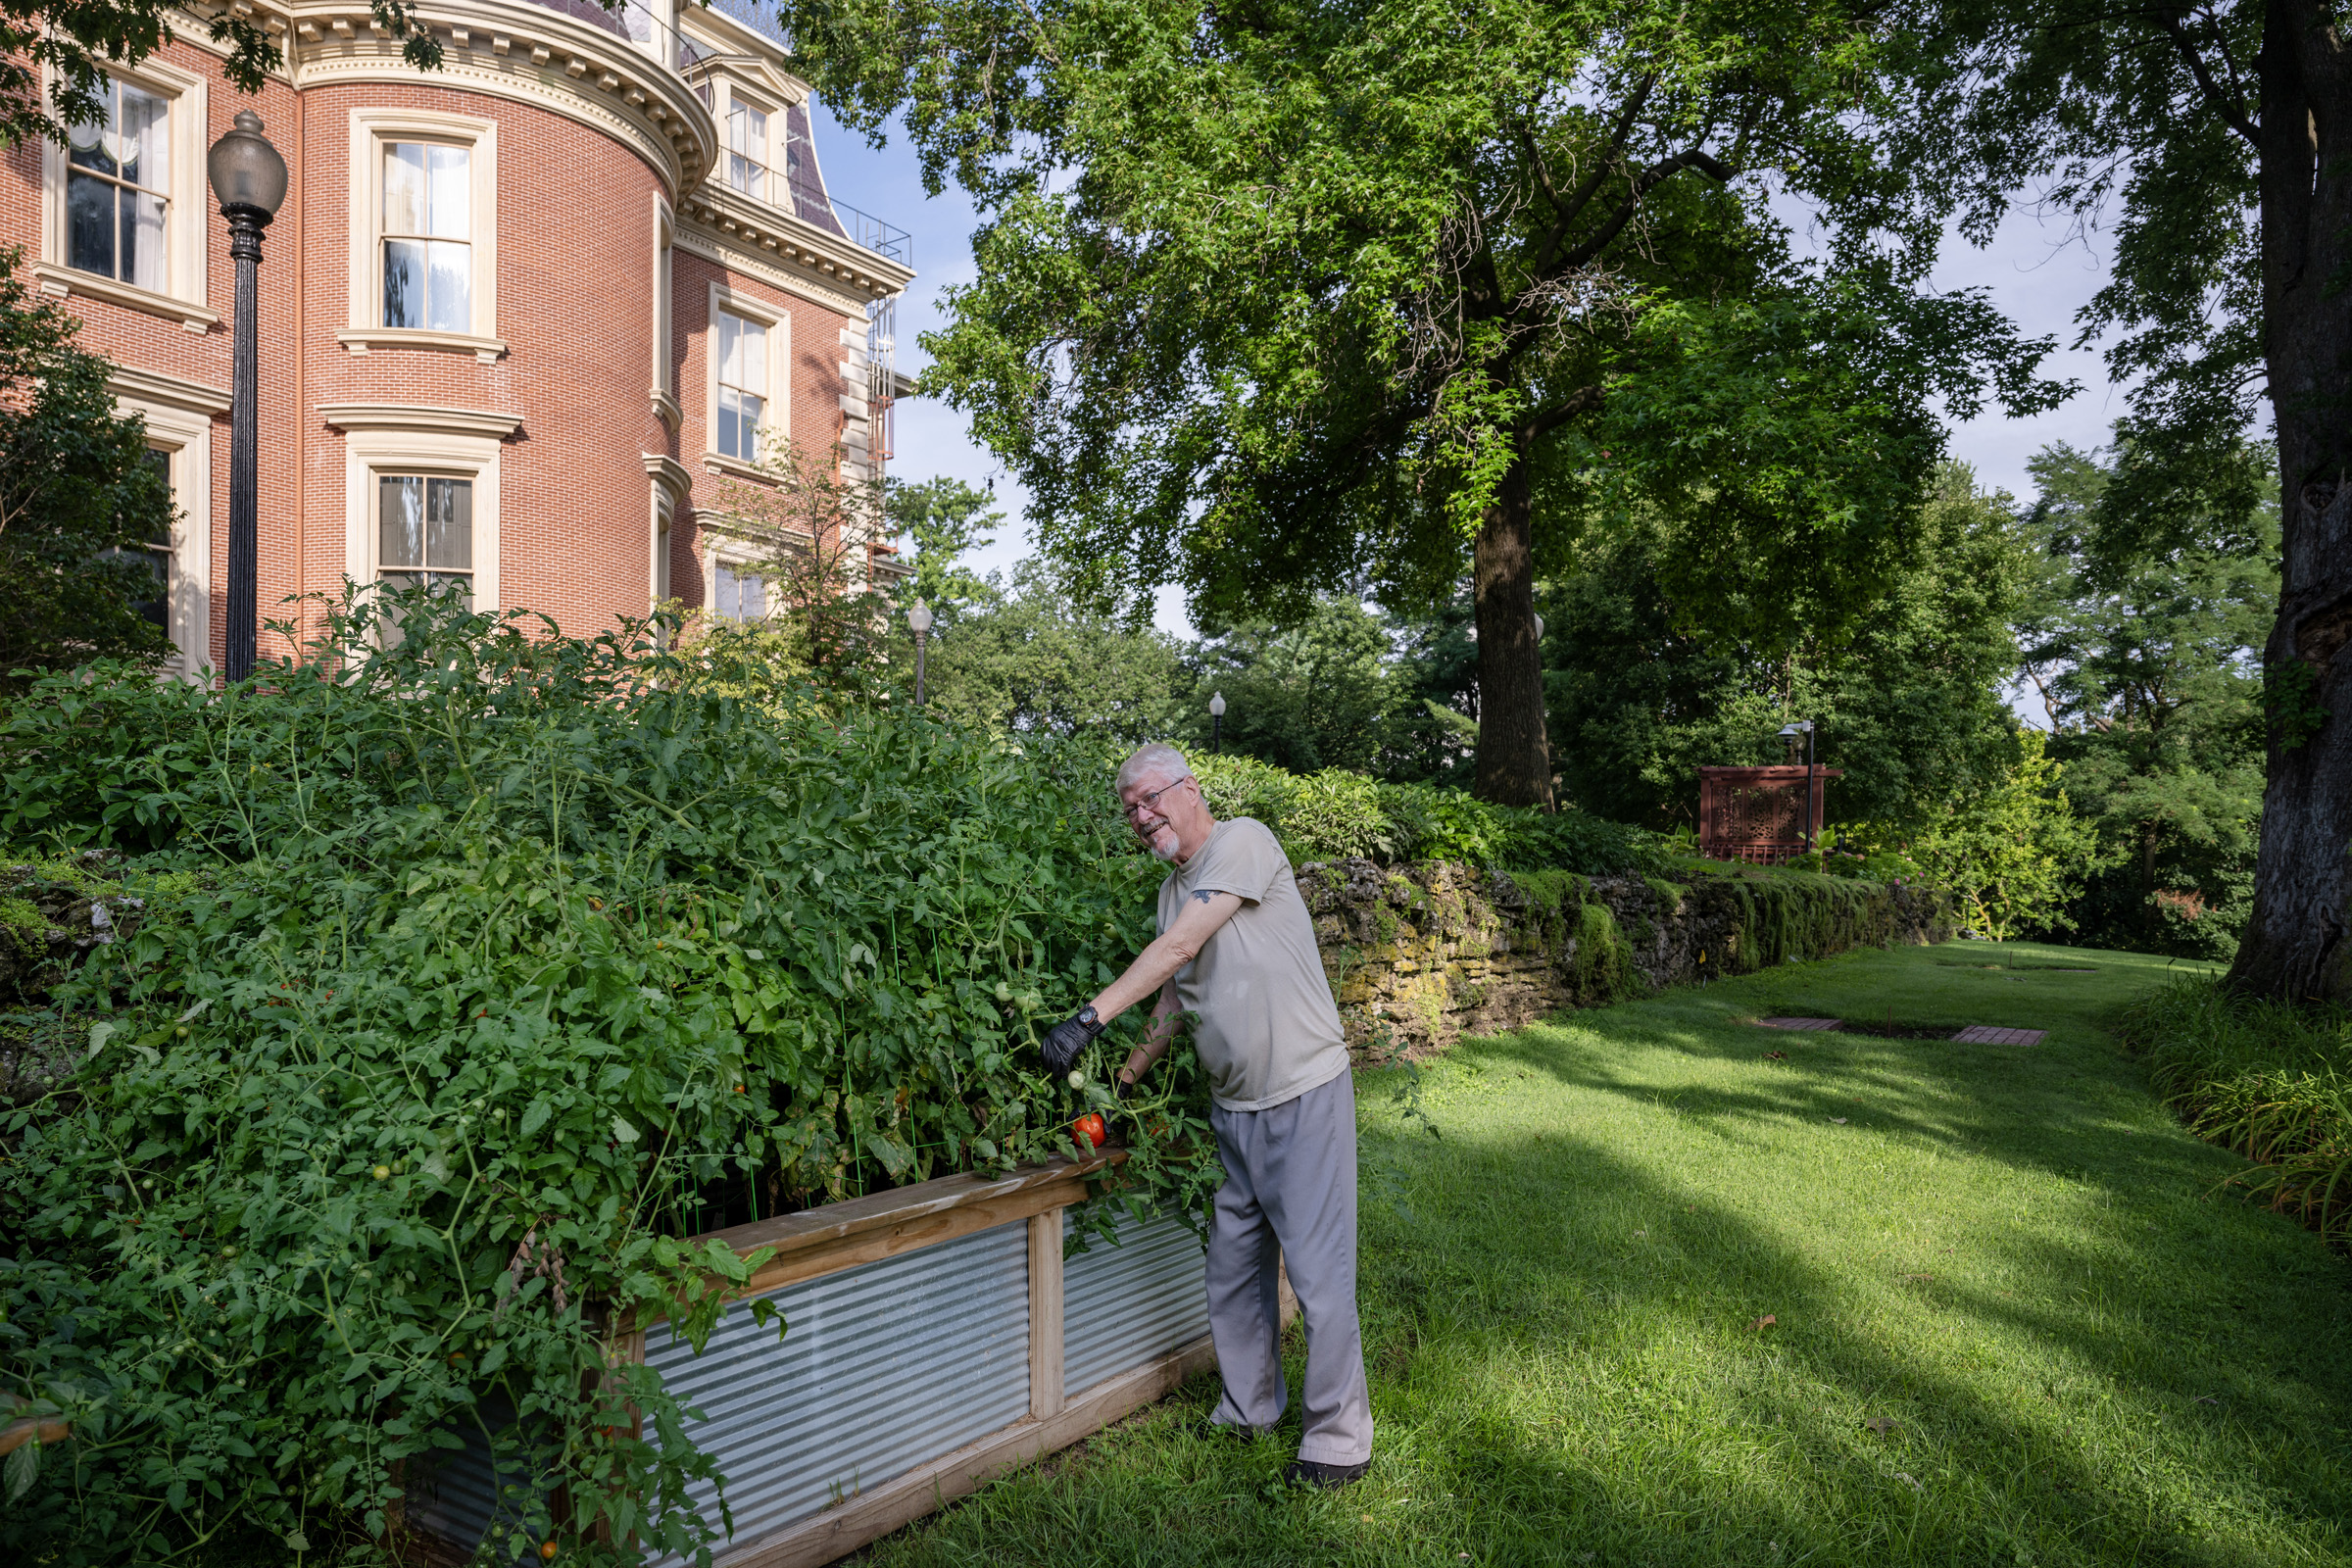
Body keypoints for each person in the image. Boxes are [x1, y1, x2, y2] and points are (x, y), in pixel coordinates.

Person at [1038, 743, 1373, 1488]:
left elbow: (1181, 946)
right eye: (1128, 808)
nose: (1140, 815)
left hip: (1301, 1091)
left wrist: (1086, 1020)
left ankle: (1339, 1440)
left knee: (1319, 1276)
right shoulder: (1171, 892)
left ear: (1190, 789)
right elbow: (1172, 997)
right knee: (1231, 1268)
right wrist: (1124, 1080)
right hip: (1235, 1108)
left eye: (1150, 798)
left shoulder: (1242, 843)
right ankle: (1250, 1407)